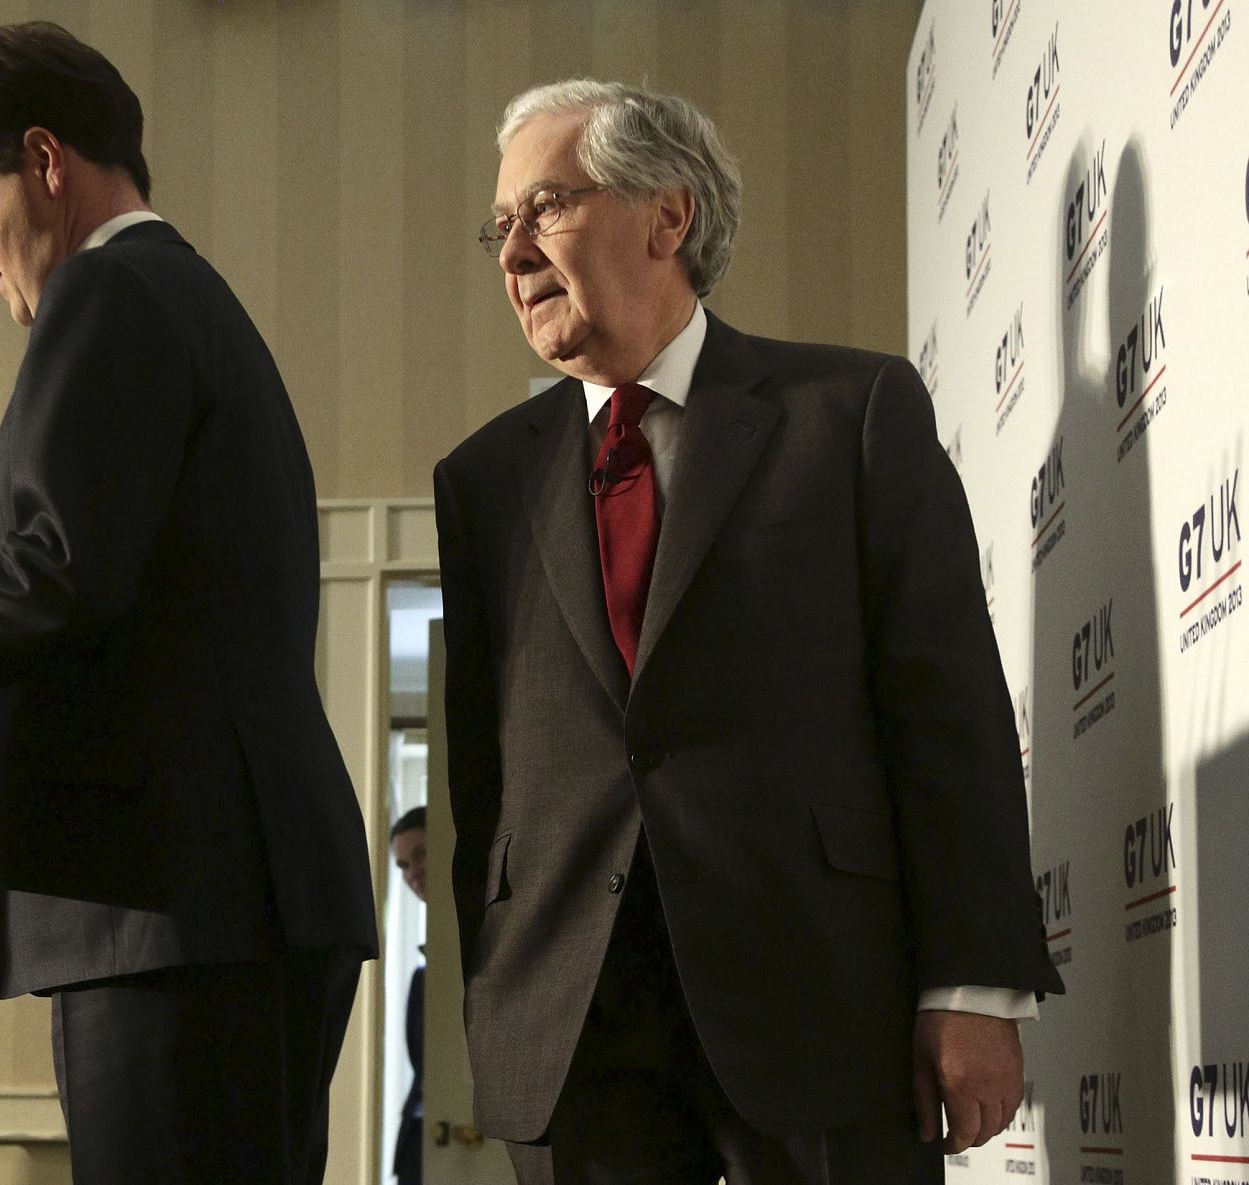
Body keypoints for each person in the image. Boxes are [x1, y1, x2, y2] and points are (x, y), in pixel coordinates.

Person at [0, 22, 375, 1184]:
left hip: (174, 909)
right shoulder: (185, 302)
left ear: (43, 161)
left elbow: (54, 574)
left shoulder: (110, 293)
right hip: (232, 901)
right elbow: (145, 620)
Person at [433, 79, 1063, 1185]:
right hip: (576, 1031)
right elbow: (484, 773)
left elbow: (945, 711)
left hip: (822, 1010)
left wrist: (967, 989)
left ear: (666, 217)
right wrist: (496, 992)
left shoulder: (851, 414)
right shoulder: (483, 480)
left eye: (545, 209)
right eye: (499, 226)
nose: (512, 252)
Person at [389, 806, 428, 1185]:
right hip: (417, 1140)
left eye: (422, 854)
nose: (412, 873)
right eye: (402, 865)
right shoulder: (422, 978)